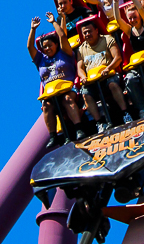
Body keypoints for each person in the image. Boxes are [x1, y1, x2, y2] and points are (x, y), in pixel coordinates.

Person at [27, 15, 86, 147]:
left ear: (56, 45)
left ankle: (79, 128)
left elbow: (63, 37)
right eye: (44, 47)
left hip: (68, 88)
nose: (47, 49)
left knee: (67, 100)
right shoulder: (41, 59)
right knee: (47, 105)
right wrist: (33, 30)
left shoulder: (64, 53)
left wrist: (54, 22)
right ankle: (53, 136)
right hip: (51, 92)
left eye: (49, 45)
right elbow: (30, 48)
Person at [76, 19, 132, 132]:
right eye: (85, 33)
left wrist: (108, 68)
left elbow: (117, 58)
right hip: (92, 80)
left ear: (96, 30)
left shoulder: (107, 39)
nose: (87, 34)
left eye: (89, 31)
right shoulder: (82, 49)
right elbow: (79, 68)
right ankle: (100, 123)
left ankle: (126, 113)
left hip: (108, 74)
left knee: (113, 85)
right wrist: (83, 77)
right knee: (85, 93)